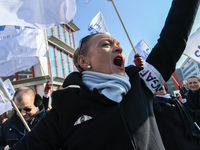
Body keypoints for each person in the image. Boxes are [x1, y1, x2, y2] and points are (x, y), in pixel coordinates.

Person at [9, 0, 200, 149]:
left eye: (118, 45)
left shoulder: (141, 83)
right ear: (84, 61)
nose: (117, 48)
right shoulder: (64, 108)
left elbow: (173, 39)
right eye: (106, 45)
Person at [153, 85, 200, 150]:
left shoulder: (171, 98)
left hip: (190, 136)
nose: (159, 86)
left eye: (159, 83)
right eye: (154, 85)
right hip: (177, 143)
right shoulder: (154, 103)